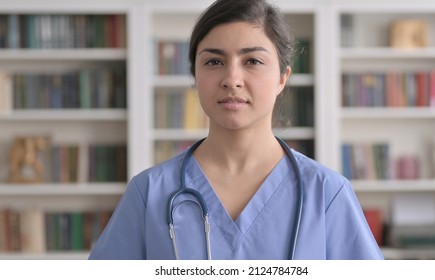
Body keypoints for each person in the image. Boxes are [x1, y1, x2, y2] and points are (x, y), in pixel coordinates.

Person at [89, 0, 383, 260]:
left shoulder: (327, 193)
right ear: (195, 76)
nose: (232, 78)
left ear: (282, 78)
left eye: (252, 61)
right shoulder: (149, 193)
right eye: (214, 61)